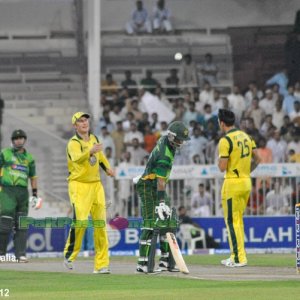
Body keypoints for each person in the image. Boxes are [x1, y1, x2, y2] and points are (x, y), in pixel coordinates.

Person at [63, 112, 115, 274]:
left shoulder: (94, 138)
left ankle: (101, 265)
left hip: (96, 185)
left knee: (100, 225)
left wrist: (107, 169)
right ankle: (69, 255)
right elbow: (77, 158)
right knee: (81, 222)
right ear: (75, 125)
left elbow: (100, 157)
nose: (84, 123)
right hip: (79, 185)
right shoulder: (73, 143)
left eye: (86, 120)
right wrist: (90, 151)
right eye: (80, 121)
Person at [135, 121, 190, 273]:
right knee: (151, 223)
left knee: (168, 221)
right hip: (148, 187)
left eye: (182, 140)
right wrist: (160, 203)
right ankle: (143, 263)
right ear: (171, 137)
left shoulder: (165, 141)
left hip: (155, 185)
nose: (181, 143)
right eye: (179, 139)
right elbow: (160, 181)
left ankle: (166, 261)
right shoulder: (165, 155)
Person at [217, 109, 260, 267]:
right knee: (238, 220)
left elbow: (222, 167)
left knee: (231, 221)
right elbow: (258, 158)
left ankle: (237, 258)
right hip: (246, 181)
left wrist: (219, 161)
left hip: (232, 183)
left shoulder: (225, 140)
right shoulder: (247, 137)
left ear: (222, 123)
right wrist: (246, 171)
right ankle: (239, 254)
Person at [0, 129, 40, 262]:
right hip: (7, 191)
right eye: (16, 139)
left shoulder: (29, 158)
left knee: (22, 224)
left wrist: (35, 194)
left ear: (25, 140)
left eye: (21, 138)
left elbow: (33, 177)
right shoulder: (5, 154)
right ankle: (1, 253)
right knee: (5, 223)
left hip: (23, 192)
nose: (19, 140)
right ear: (12, 141)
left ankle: (20, 254)